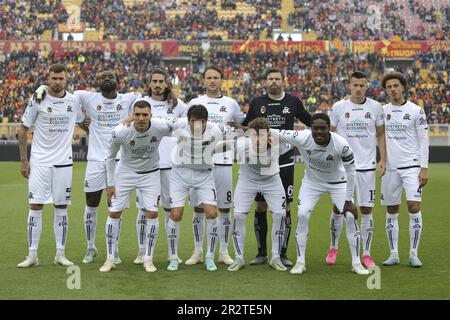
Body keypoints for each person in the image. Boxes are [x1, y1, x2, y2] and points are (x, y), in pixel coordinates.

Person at [274, 113, 369, 275]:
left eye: (323, 128)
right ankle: (300, 262)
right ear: (310, 128)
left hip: (338, 183)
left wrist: (348, 200)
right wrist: (249, 128)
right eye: (315, 128)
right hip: (312, 183)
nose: (319, 132)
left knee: (351, 217)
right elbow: (275, 132)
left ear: (329, 128)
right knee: (302, 215)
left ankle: (356, 263)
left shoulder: (341, 144)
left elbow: (351, 172)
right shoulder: (302, 137)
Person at [241, 68, 312, 267]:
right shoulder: (257, 102)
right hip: (263, 161)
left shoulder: (293, 101)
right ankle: (262, 252)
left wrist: (328, 128)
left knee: (285, 207)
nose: (274, 82)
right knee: (261, 206)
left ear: (283, 81)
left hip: (285, 160)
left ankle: (282, 253)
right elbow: (246, 125)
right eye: (270, 78)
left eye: (277, 79)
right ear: (266, 81)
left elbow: (309, 121)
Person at [17, 63, 84, 268]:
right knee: (35, 206)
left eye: (61, 78)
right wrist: (24, 161)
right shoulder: (38, 99)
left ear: (66, 79)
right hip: (39, 162)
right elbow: (22, 130)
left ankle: (60, 254)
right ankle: (32, 255)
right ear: (48, 78)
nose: (57, 82)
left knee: (61, 207)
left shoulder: (73, 101)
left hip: (63, 163)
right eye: (53, 78)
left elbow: (86, 120)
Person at [99, 99, 175, 272]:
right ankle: (110, 258)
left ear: (151, 115)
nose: (141, 118)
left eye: (145, 115)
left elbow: (179, 125)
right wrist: (110, 184)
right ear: (132, 116)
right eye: (137, 114)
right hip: (125, 173)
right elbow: (110, 157)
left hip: (150, 174)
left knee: (152, 213)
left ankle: (148, 258)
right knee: (114, 212)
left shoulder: (160, 126)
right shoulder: (120, 131)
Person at [185, 65, 246, 266]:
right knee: (198, 209)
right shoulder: (194, 102)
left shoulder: (231, 104)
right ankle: (198, 251)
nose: (212, 80)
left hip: (223, 162)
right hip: (198, 164)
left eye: (216, 77)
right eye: (209, 77)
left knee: (224, 208)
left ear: (222, 80)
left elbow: (242, 126)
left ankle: (223, 251)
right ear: (203, 81)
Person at [326, 71, 387, 268]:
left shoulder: (376, 107)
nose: (358, 89)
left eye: (362, 85)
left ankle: (366, 254)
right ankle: (333, 247)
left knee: (366, 210)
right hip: (342, 168)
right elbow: (330, 134)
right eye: (355, 85)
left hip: (366, 168)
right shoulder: (338, 107)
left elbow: (380, 135)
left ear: (367, 86)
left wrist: (383, 159)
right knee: (338, 208)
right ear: (349, 86)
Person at [165, 104, 229, 272]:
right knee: (176, 214)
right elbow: (156, 120)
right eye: (193, 122)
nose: (197, 126)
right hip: (180, 174)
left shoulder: (217, 129)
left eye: (201, 122)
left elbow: (238, 135)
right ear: (188, 121)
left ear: (207, 121)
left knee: (212, 213)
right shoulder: (179, 125)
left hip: (204, 175)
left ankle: (209, 257)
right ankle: (173, 258)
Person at [134, 68, 187, 265]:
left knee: (170, 210)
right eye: (154, 81)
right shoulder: (140, 103)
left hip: (170, 164)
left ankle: (172, 253)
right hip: (146, 164)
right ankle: (141, 251)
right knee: (144, 209)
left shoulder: (177, 104)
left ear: (166, 83)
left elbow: (189, 125)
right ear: (149, 83)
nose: (157, 84)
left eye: (161, 81)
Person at [225, 118, 290, 272]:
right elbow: (224, 146)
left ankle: (275, 257)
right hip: (247, 180)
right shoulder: (241, 145)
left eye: (262, 136)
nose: (258, 139)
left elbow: (300, 141)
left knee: (280, 215)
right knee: (239, 215)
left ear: (268, 135)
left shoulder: (279, 144)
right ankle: (239, 257)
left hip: (272, 180)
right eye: (254, 135)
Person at [380, 71, 428, 268]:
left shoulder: (417, 111)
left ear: (403, 87)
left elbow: (424, 140)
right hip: (390, 168)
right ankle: (394, 254)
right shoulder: (382, 111)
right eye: (389, 87)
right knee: (392, 209)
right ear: (386, 90)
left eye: (396, 86)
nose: (393, 89)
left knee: (414, 207)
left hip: (412, 166)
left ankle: (413, 253)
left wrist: (424, 168)